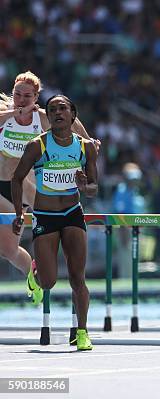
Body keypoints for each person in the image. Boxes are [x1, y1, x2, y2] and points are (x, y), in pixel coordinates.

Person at [0, 71, 97, 305]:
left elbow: (74, 126)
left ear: (36, 97)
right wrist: (16, 112)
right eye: (17, 95)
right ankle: (34, 272)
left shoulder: (42, 119)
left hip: (26, 186)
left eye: (27, 96)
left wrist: (90, 141)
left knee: (19, 243)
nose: (22, 100)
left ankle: (49, 264)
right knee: (6, 249)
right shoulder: (6, 116)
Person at [11, 95, 98, 351]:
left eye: (63, 108)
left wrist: (85, 185)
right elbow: (16, 179)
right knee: (48, 282)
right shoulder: (38, 145)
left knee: (77, 279)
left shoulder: (85, 147)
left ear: (73, 115)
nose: (58, 112)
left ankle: (82, 333)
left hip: (72, 213)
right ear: (47, 116)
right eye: (52, 109)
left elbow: (94, 188)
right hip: (45, 216)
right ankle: (35, 272)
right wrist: (19, 214)